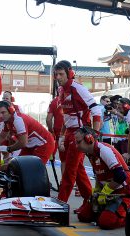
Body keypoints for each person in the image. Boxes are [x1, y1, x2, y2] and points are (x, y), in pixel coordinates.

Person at [53, 60, 101, 204]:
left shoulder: (78, 88)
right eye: (56, 74)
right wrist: (62, 136)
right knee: (78, 171)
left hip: (80, 133)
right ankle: (90, 202)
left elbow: (96, 110)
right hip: (69, 133)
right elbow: (66, 116)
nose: (58, 77)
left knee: (70, 170)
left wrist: (94, 134)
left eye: (61, 74)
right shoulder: (61, 90)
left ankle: (61, 203)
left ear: (70, 73)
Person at [73, 127, 130, 229]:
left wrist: (105, 192)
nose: (77, 146)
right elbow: (98, 174)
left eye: (78, 142)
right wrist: (97, 190)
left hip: (123, 192)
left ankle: (128, 211)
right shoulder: (91, 153)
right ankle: (109, 210)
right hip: (109, 193)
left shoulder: (104, 150)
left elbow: (120, 176)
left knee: (106, 222)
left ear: (89, 139)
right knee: (83, 216)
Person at [0, 100, 55, 165]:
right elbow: (2, 136)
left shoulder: (18, 120)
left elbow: (23, 143)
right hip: (30, 145)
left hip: (44, 144)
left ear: (10, 110)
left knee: (32, 170)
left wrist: (8, 148)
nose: (0, 116)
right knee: (17, 166)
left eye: (3, 112)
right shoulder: (8, 121)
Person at [47, 93, 65, 171]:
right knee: (68, 159)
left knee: (51, 155)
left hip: (57, 133)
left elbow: (48, 119)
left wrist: (51, 131)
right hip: (71, 132)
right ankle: (68, 181)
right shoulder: (73, 99)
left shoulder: (54, 101)